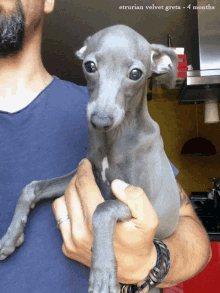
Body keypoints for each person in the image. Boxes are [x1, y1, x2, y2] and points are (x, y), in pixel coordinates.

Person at [0, 1, 211, 293]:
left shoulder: (133, 132)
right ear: (83, 58)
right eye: (92, 68)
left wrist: (150, 262)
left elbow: (190, 230)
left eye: (134, 73)